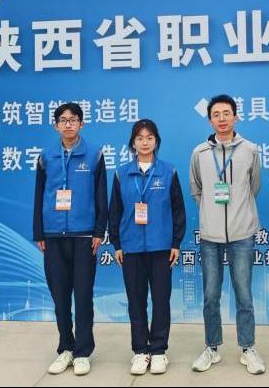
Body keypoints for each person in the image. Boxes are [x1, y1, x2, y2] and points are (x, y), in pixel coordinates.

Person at [189, 94, 266, 375]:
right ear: (210, 120)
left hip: (242, 234)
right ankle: (212, 347)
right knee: (211, 295)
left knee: (244, 294)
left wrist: (238, 213)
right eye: (216, 114)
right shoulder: (199, 153)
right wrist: (211, 212)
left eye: (226, 113)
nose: (221, 119)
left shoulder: (250, 150)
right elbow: (196, 189)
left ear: (236, 116)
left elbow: (253, 187)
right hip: (210, 236)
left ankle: (248, 348)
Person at [33, 103, 108, 376]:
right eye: (63, 120)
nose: (68, 124)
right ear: (56, 125)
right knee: (60, 297)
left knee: (84, 295)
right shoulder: (46, 157)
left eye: (73, 120)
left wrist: (99, 231)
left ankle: (83, 351)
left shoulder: (95, 155)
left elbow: (101, 196)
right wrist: (39, 232)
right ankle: (66, 347)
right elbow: (39, 195)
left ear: (81, 124)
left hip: (84, 236)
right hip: (53, 236)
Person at [109, 119, 186, 375]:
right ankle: (141, 351)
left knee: (161, 301)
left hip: (161, 247)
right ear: (133, 143)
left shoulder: (168, 171)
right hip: (131, 248)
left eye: (149, 137)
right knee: (136, 301)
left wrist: (175, 242)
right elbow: (114, 211)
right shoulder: (121, 173)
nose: (144, 142)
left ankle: (159, 350)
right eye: (140, 138)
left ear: (156, 141)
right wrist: (117, 244)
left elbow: (178, 209)